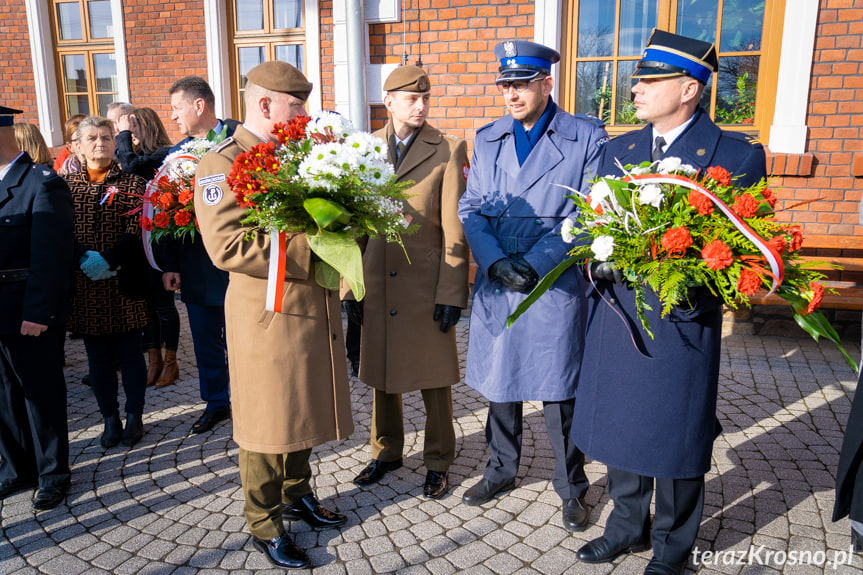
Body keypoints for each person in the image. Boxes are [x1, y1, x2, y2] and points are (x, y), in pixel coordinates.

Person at [572, 30, 766, 575]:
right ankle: (626, 527)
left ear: (689, 89)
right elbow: (592, 226)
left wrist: (683, 271)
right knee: (624, 423)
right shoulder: (620, 150)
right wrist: (598, 256)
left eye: (649, 81)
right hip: (618, 316)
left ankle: (675, 546)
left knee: (676, 432)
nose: (635, 88)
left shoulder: (734, 157)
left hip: (681, 321)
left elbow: (742, 249)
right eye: (638, 79)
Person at [194, 61, 353, 570]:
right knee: (267, 421)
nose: (304, 115)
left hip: (309, 309)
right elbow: (229, 246)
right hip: (267, 313)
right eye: (295, 105)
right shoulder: (220, 165)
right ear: (265, 105)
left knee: (300, 408)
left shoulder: (296, 157)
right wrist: (317, 248)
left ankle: (296, 493)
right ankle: (264, 523)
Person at [457, 40, 607, 532]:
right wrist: (495, 261)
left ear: (547, 83)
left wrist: (538, 260)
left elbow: (591, 213)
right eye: (506, 86)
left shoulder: (585, 136)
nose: (512, 95)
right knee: (501, 384)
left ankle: (571, 487)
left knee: (559, 389)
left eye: (521, 85)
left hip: (553, 279)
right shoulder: (488, 138)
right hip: (500, 277)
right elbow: (472, 207)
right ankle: (500, 469)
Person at [347, 66, 470, 499]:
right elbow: (355, 227)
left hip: (425, 286)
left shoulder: (449, 150)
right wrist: (351, 287)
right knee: (381, 373)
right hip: (377, 283)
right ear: (390, 102)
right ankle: (386, 451)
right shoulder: (363, 150)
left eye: (426, 98)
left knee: (435, 379)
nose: (421, 105)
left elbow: (455, 228)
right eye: (411, 99)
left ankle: (439, 458)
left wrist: (453, 292)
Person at [0, 105, 75, 511]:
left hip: (25, 308)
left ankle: (52, 473)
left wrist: (39, 312)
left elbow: (52, 257)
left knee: (40, 394)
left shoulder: (40, 182)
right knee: (3, 394)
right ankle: (16, 467)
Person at [63, 116, 151, 450]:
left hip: (123, 282)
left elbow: (137, 228)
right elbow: (58, 233)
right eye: (92, 138)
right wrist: (83, 258)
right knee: (97, 358)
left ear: (115, 143)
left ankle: (135, 416)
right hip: (86, 286)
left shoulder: (133, 184)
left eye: (105, 137)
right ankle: (110, 418)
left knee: (130, 355)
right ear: (79, 146)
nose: (99, 143)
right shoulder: (64, 186)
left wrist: (109, 260)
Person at [156, 77, 237, 432]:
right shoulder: (176, 158)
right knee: (206, 340)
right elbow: (165, 213)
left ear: (198, 105)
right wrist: (170, 265)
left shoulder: (241, 141)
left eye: (176, 108)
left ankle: (252, 397)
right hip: (197, 265)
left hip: (240, 263)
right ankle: (217, 402)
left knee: (245, 339)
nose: (172, 117)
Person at [113, 106, 180, 387]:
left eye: (134, 127)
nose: (129, 134)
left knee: (163, 305)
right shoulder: (138, 157)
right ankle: (152, 358)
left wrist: (123, 134)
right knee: (146, 305)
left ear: (146, 126)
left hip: (161, 242)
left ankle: (170, 361)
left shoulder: (165, 154)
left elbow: (130, 165)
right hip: (139, 241)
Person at [115, 107, 173, 180]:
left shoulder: (164, 152)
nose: (131, 131)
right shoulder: (137, 153)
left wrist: (124, 134)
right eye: (129, 126)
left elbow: (130, 167)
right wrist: (119, 136)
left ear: (148, 127)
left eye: (134, 125)